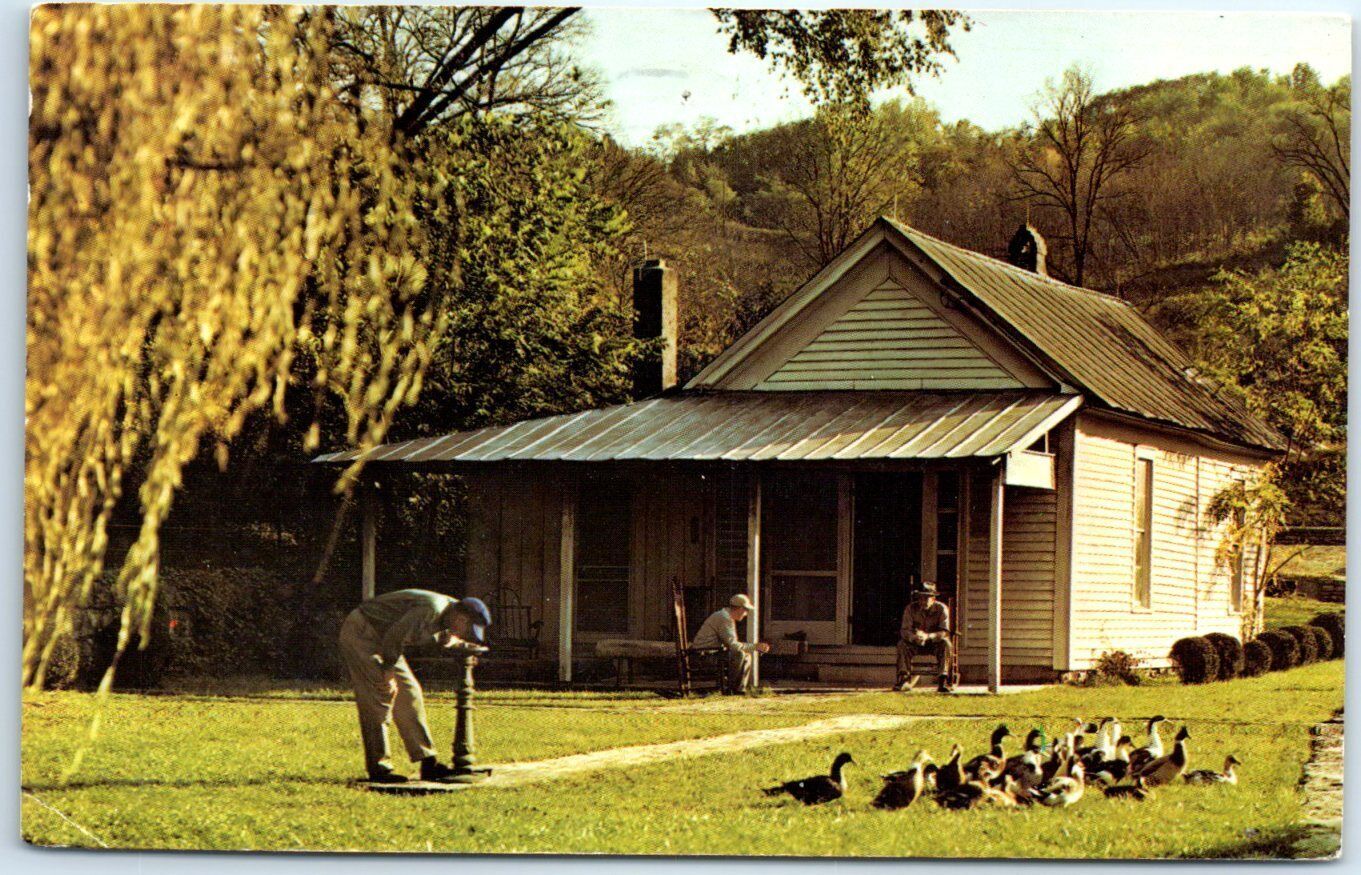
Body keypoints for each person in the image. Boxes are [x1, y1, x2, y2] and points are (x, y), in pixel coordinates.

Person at [337, 588, 492, 783]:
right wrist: (388, 672)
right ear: (462, 619)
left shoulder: (449, 612)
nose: (465, 634)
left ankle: (428, 763)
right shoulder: (432, 608)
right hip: (363, 633)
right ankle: (379, 768)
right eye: (467, 630)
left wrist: (459, 645)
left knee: (410, 693)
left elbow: (424, 634)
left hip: (386, 640)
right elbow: (396, 635)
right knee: (380, 695)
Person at [690, 593, 770, 694]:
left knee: (747, 656)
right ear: (740, 609)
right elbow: (734, 646)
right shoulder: (724, 618)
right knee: (739, 654)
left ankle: (739, 690)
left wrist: (753, 647)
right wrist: (755, 646)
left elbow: (732, 644)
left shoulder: (726, 617)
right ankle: (730, 689)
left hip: (711, 653)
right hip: (702, 656)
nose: (746, 614)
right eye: (746, 611)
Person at [895, 581, 953, 693]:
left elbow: (944, 632)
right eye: (920, 598)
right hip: (916, 643)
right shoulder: (910, 609)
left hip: (934, 643)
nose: (923, 601)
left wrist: (928, 636)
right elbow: (905, 630)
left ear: (933, 599)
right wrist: (913, 637)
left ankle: (943, 679)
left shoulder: (942, 609)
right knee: (902, 644)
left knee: (946, 644)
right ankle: (903, 678)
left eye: (926, 598)